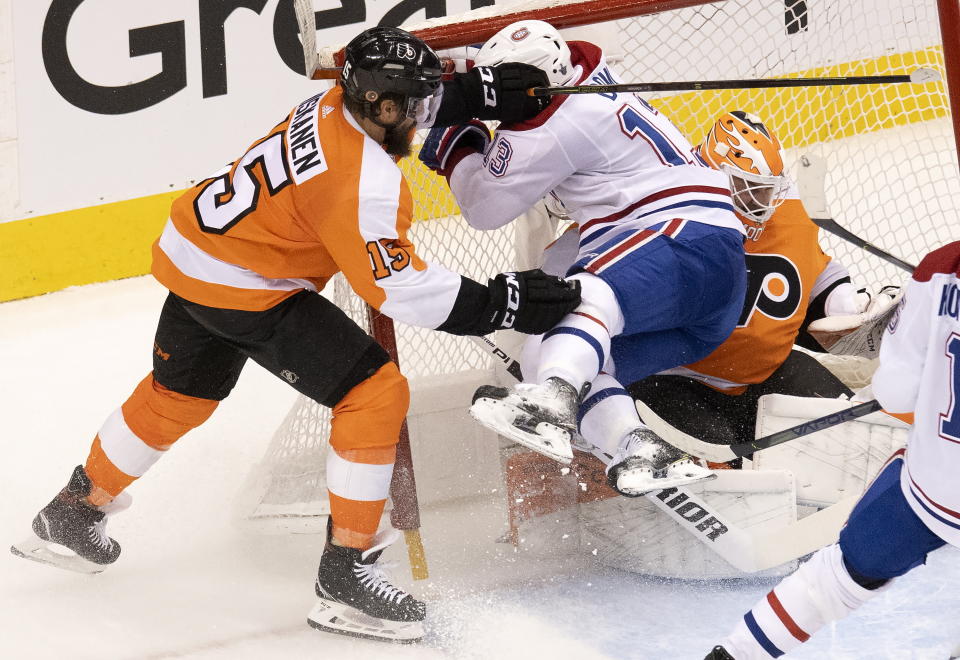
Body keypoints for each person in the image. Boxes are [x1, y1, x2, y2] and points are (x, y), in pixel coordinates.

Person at [9, 26, 579, 643]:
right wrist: (505, 301)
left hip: (198, 254)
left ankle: (73, 511)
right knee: (375, 392)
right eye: (409, 108)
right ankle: (347, 575)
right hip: (250, 285)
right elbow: (404, 290)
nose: (418, 117)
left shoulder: (338, 101)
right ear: (379, 107)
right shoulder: (362, 182)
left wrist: (479, 94)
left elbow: (399, 100)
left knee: (179, 396)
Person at [419, 20, 747, 495]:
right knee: (546, 352)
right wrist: (468, 65)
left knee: (582, 299)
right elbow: (513, 74)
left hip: (682, 239)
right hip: (708, 288)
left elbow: (483, 208)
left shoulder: (552, 126)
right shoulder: (586, 72)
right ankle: (638, 446)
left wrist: (459, 146)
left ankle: (552, 403)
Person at [575, 111, 900, 470]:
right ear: (717, 176)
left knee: (854, 435)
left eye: (768, 187)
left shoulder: (786, 206)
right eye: (752, 189)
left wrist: (843, 304)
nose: (765, 200)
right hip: (670, 378)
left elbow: (813, 265)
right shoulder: (664, 209)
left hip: (765, 372)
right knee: (730, 474)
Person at [704, 241, 960, 659]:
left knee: (837, 577)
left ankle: (735, 654)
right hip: (934, 487)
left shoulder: (942, 268)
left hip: (935, 490)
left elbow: (896, 393)